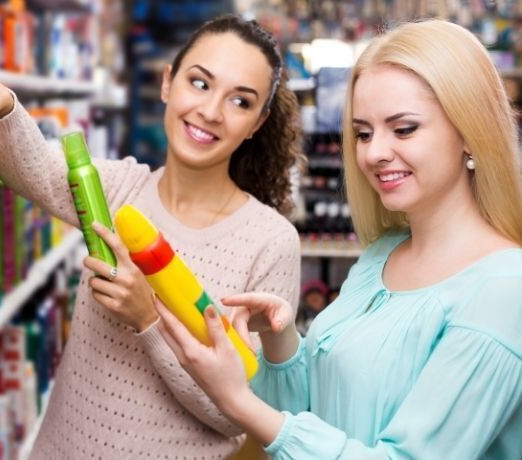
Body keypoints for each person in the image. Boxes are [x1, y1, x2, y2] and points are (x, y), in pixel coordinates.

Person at [0, 15, 303, 459]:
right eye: (200, 83)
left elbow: (236, 413)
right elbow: (30, 168)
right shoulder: (116, 189)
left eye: (240, 102)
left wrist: (148, 320)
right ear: (168, 83)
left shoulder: (271, 241)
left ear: (258, 123)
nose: (210, 111)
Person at [157, 19, 522, 460]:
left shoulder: (504, 291)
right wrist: (281, 341)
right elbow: (315, 411)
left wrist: (238, 401)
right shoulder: (382, 256)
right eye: (363, 133)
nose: (373, 153)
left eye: (403, 129)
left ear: (470, 131)